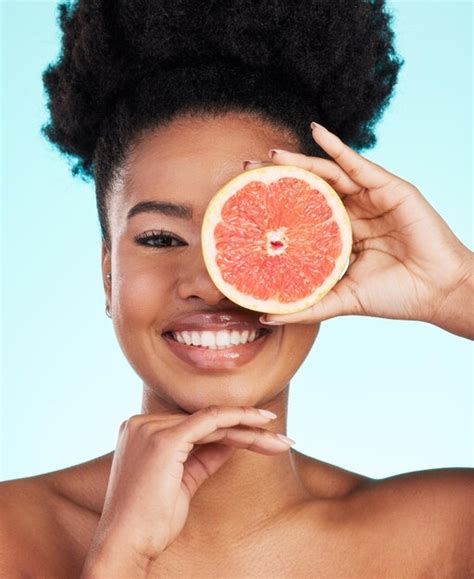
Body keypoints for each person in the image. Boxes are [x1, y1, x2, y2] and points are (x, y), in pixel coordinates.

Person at [1, 1, 473, 577]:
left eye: (263, 238)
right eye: (158, 238)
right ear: (107, 274)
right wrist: (118, 557)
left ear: (329, 256)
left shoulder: (448, 533)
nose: (208, 283)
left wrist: (457, 289)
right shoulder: (13, 535)